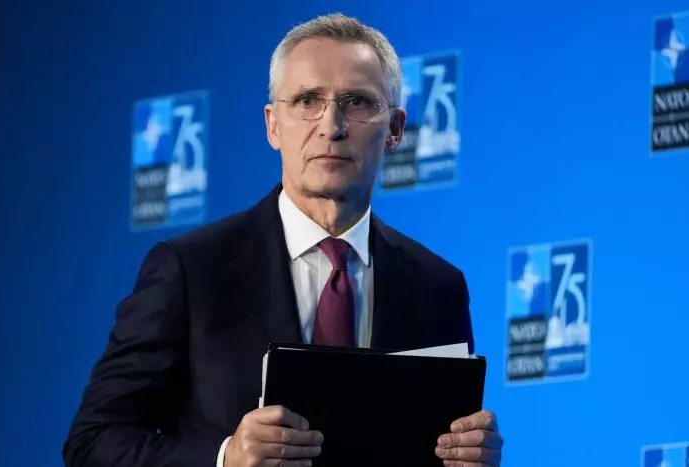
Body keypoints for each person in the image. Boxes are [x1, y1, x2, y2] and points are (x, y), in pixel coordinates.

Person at [63, 12, 503, 467]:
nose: (331, 126)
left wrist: (471, 456)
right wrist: (225, 458)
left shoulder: (438, 287)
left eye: (356, 102)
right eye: (308, 100)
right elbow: (91, 443)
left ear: (394, 129)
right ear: (273, 125)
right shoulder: (191, 270)